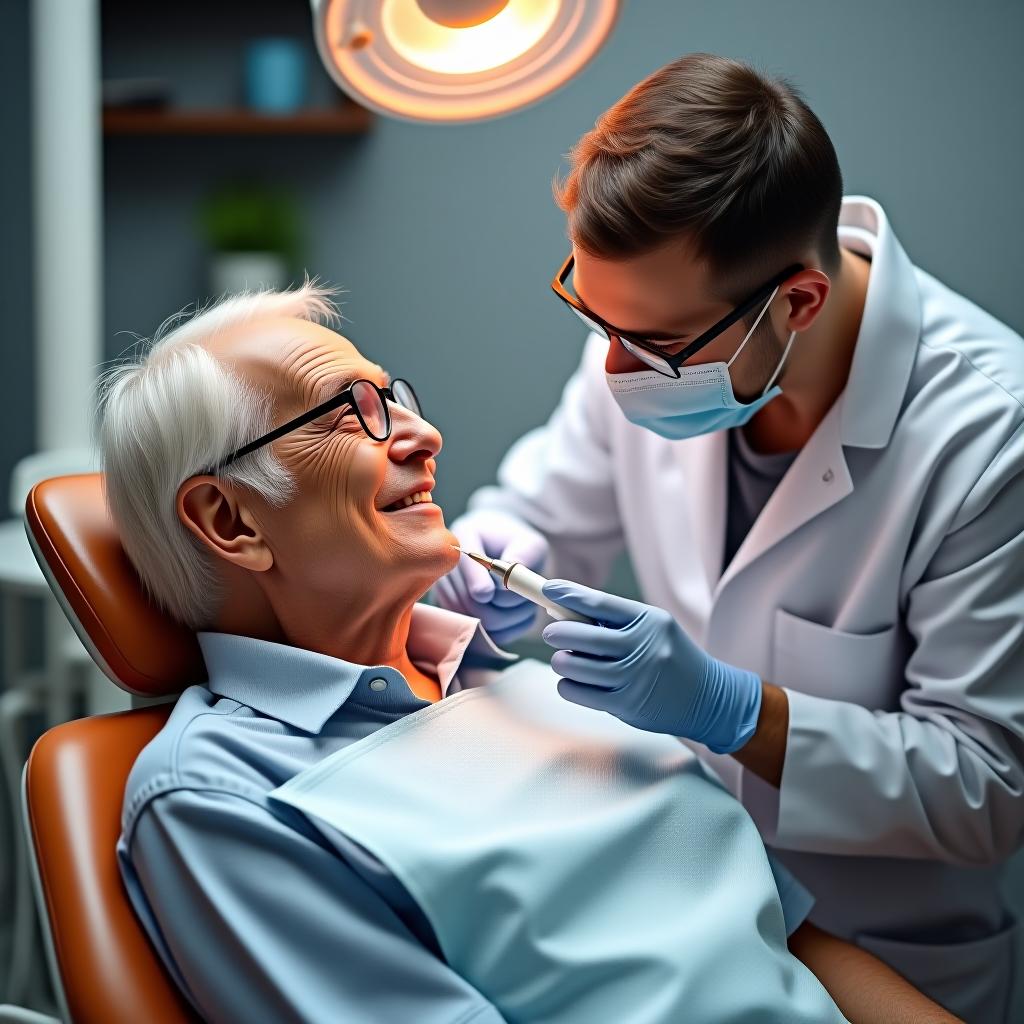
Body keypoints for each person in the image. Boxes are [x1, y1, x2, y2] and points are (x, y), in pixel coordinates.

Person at [100, 284, 955, 1023]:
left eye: (395, 397)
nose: (423, 434)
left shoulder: (531, 686)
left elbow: (795, 944)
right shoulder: (219, 797)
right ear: (232, 522)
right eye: (348, 414)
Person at [436, 53, 1024, 1022]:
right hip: (686, 913)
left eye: (653, 344)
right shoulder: (650, 336)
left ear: (795, 301)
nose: (615, 368)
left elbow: (990, 787)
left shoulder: (990, 435)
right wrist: (495, 547)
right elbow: (542, 513)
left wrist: (736, 711)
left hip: (887, 953)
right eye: (596, 319)